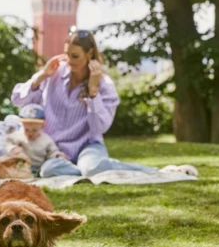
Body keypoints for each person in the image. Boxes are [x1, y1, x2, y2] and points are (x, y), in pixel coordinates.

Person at [11, 27, 157, 177]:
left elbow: (100, 128)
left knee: (92, 168)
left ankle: (152, 172)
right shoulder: (54, 73)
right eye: (67, 54)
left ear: (89, 54)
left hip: (87, 146)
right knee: (49, 171)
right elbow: (17, 100)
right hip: (55, 150)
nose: (69, 61)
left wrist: (93, 92)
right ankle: (84, 171)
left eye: (74, 56)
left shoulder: (104, 85)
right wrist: (42, 75)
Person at [13, 104, 70, 176]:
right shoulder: (17, 136)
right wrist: (14, 149)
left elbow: (52, 151)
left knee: (47, 168)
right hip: (21, 166)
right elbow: (8, 143)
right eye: (26, 130)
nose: (30, 133)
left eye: (34, 130)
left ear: (42, 126)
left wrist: (57, 155)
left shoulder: (46, 139)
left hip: (39, 166)